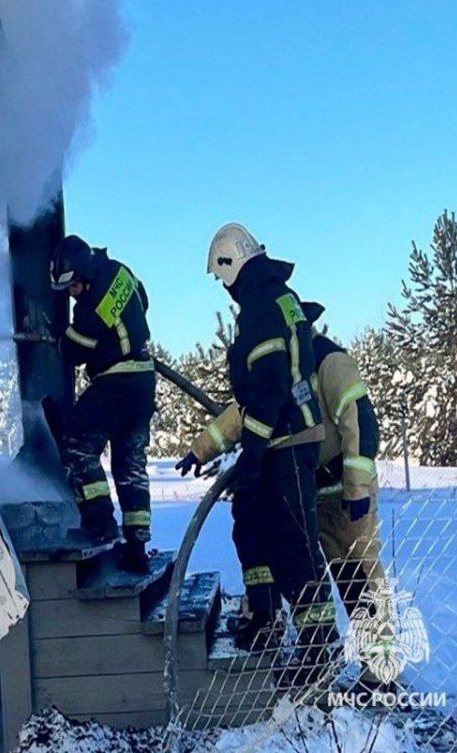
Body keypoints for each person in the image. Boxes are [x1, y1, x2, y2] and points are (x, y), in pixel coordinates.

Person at [179, 301, 386, 624]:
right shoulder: (283, 367)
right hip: (305, 488)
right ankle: (311, 647)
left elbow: (360, 423)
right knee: (301, 566)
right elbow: (241, 413)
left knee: (358, 576)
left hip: (343, 492)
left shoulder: (329, 360)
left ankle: (379, 669)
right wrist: (200, 450)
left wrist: (356, 487)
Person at [188, 223, 337, 670]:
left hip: (287, 441)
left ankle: (318, 645)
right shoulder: (278, 297)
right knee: (251, 523)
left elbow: (269, 387)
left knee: (295, 543)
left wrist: (251, 454)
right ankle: (265, 615)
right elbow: (257, 394)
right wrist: (206, 448)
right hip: (280, 437)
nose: (224, 287)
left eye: (221, 276)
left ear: (231, 263)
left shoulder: (259, 307)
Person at [49, 234, 156, 572]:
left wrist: (58, 336)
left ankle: (100, 525)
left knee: (77, 446)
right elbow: (143, 299)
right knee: (130, 464)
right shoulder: (121, 272)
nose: (72, 293)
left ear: (83, 273)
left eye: (73, 286)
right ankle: (136, 546)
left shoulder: (90, 306)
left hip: (116, 382)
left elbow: (73, 353)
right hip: (143, 381)